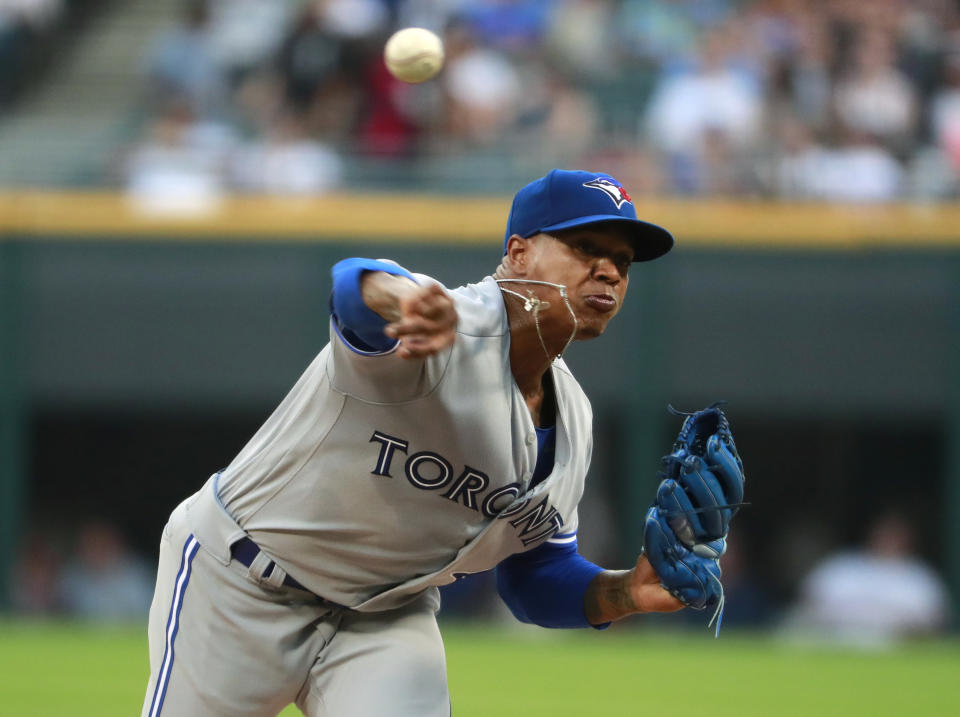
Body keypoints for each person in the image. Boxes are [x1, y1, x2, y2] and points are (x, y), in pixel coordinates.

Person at [142, 169, 708, 717]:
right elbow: (353, 285)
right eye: (587, 247)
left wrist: (627, 591)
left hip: (384, 615)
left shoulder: (574, 424)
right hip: (243, 582)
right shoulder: (440, 323)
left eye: (623, 262)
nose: (608, 271)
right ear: (518, 253)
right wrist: (401, 300)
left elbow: (534, 579)